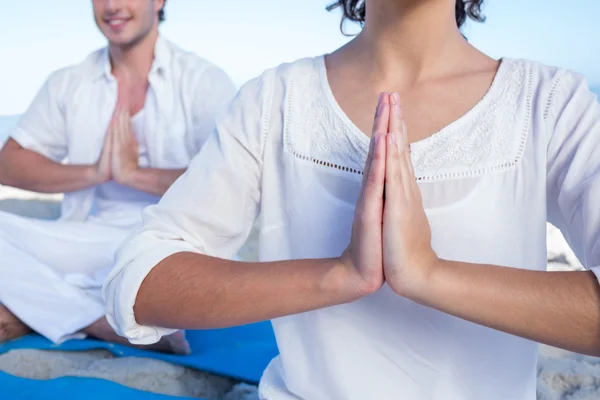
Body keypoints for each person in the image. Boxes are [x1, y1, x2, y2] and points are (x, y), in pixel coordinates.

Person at [104, 0, 600, 397]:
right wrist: (339, 275)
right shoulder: (274, 100)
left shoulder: (550, 104)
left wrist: (428, 274)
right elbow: (139, 280)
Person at [0, 0, 235, 354]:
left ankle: (39, 306)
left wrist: (133, 174)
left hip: (171, 246)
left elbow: (229, 185)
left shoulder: (203, 81)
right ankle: (98, 320)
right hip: (85, 241)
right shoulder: (69, 82)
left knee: (143, 279)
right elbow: (9, 165)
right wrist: (96, 172)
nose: (112, 6)